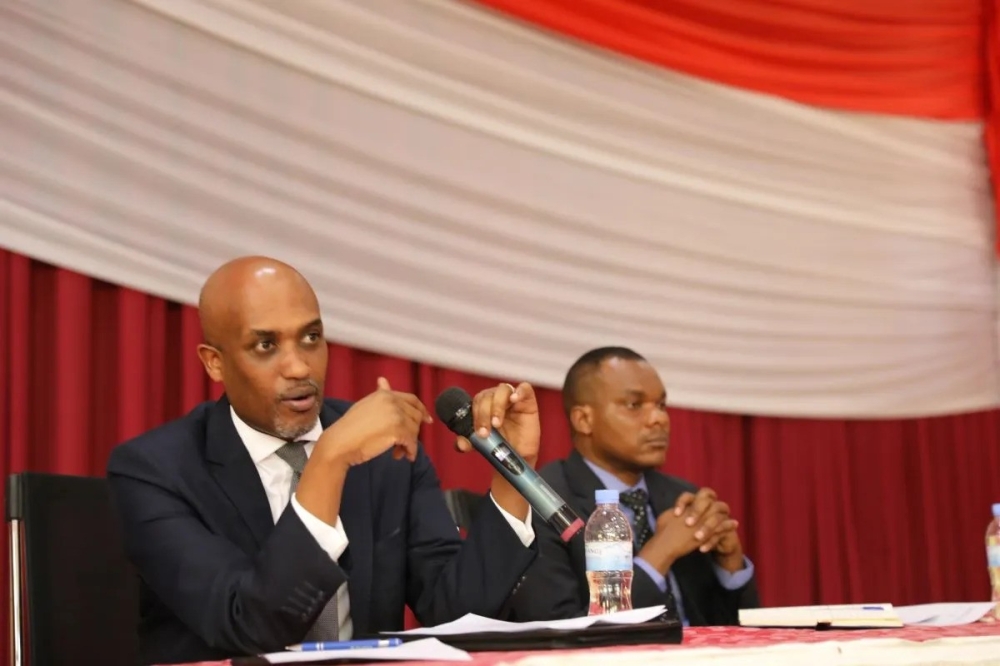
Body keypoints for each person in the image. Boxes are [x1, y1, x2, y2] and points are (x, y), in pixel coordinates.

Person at [107, 257, 541, 665]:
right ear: (214, 363)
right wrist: (328, 459)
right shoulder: (155, 470)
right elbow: (249, 626)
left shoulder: (385, 453)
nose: (299, 367)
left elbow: (457, 613)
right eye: (265, 345)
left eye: (311, 337)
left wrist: (512, 470)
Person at [508, 347, 759, 625]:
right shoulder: (542, 503)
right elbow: (557, 629)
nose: (659, 419)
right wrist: (659, 555)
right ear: (584, 420)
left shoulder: (679, 496)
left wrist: (730, 564)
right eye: (634, 405)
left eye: (661, 405)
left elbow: (729, 630)